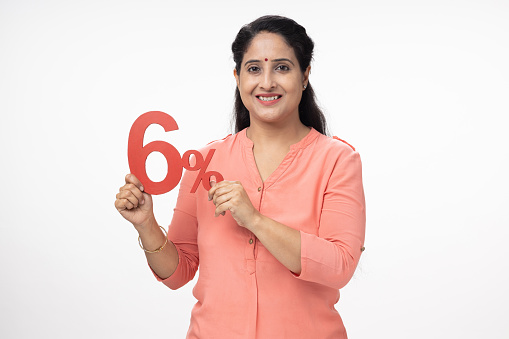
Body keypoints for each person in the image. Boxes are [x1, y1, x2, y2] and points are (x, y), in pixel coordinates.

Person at [115, 15, 366, 339]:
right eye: (254, 69)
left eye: (282, 67)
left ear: (305, 75)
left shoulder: (337, 161)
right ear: (237, 76)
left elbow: (340, 265)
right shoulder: (204, 161)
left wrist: (255, 220)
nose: (266, 82)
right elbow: (179, 272)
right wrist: (146, 225)